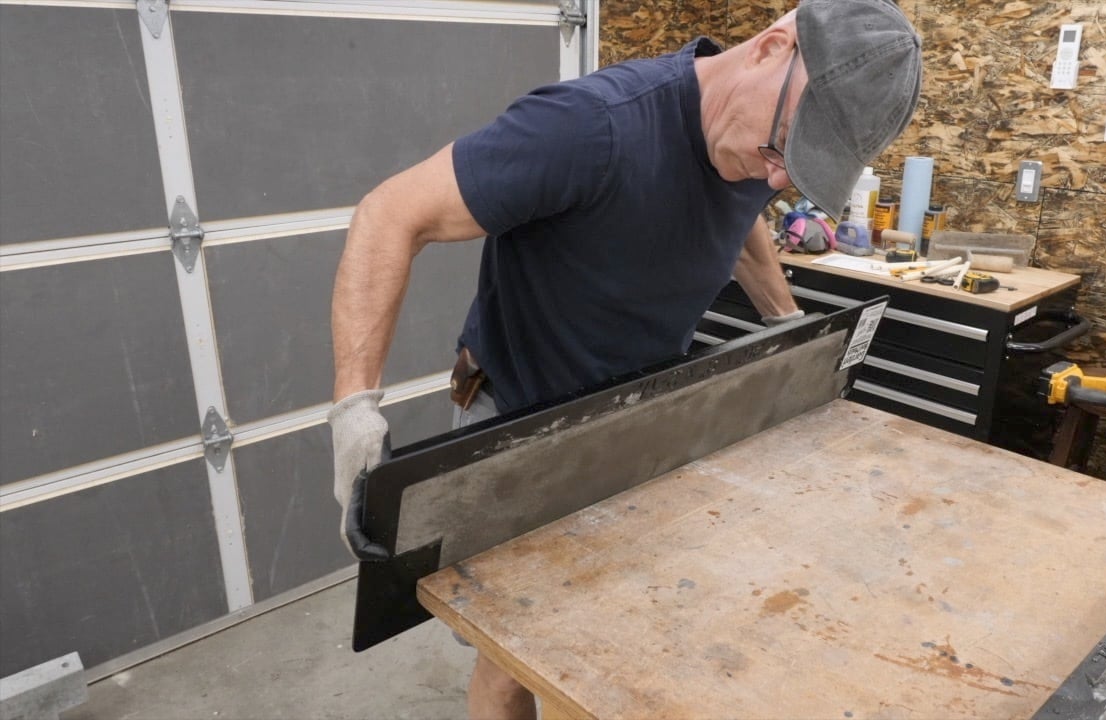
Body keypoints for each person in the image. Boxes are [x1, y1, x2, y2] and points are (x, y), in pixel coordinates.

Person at [328, 0, 921, 716]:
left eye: (793, 171)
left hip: (641, 418)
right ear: (770, 50)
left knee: (608, 639)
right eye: (780, 148)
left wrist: (787, 327)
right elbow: (390, 213)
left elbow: (737, 221)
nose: (773, 180)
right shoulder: (590, 127)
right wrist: (354, 410)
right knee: (516, 650)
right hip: (521, 419)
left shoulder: (746, 147)